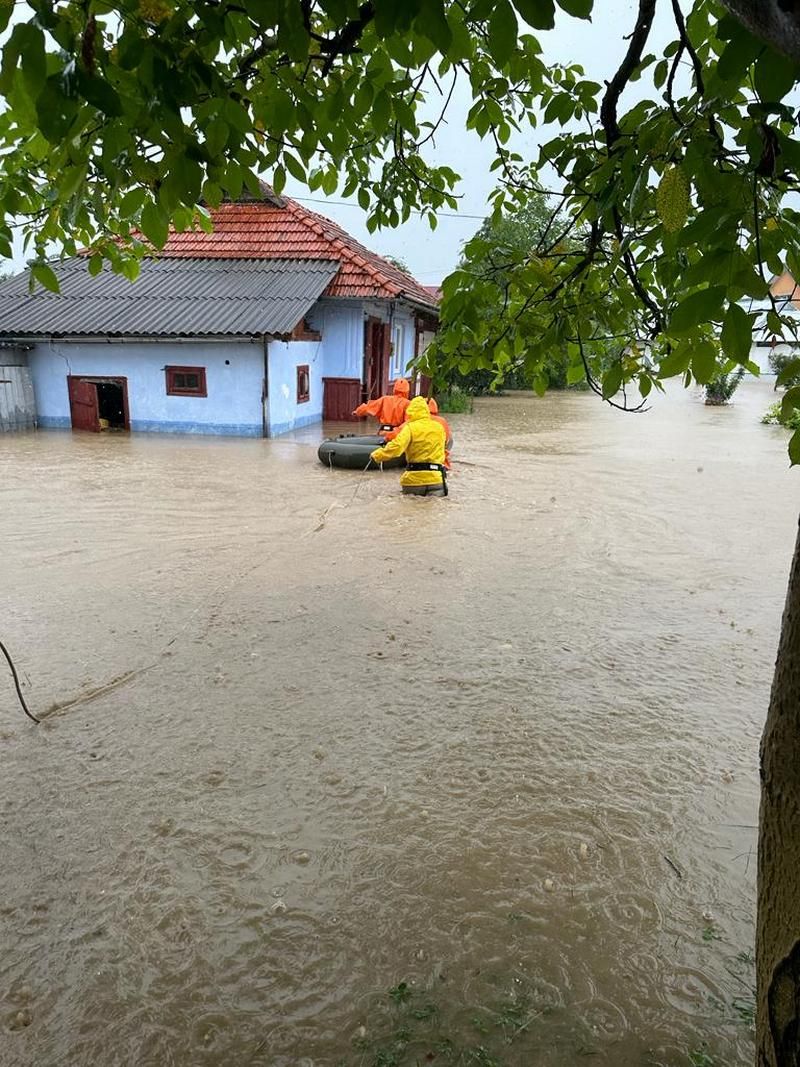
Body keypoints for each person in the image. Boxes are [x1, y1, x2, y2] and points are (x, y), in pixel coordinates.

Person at [370, 395, 448, 496]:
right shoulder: (439, 428)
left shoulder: (409, 428)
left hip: (413, 481)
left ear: (411, 411)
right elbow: (443, 449)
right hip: (436, 480)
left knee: (409, 509)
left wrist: (377, 455)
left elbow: (397, 447)